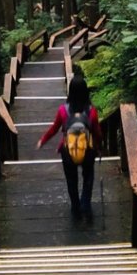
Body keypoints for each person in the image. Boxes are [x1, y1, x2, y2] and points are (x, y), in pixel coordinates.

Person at [36, 73, 102, 220]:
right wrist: (98, 146)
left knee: (71, 180)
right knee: (88, 177)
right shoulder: (91, 111)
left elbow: (54, 128)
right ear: (86, 92)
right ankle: (86, 205)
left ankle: (75, 208)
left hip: (68, 150)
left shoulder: (63, 110)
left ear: (70, 92)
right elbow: (97, 132)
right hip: (88, 149)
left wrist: (43, 140)